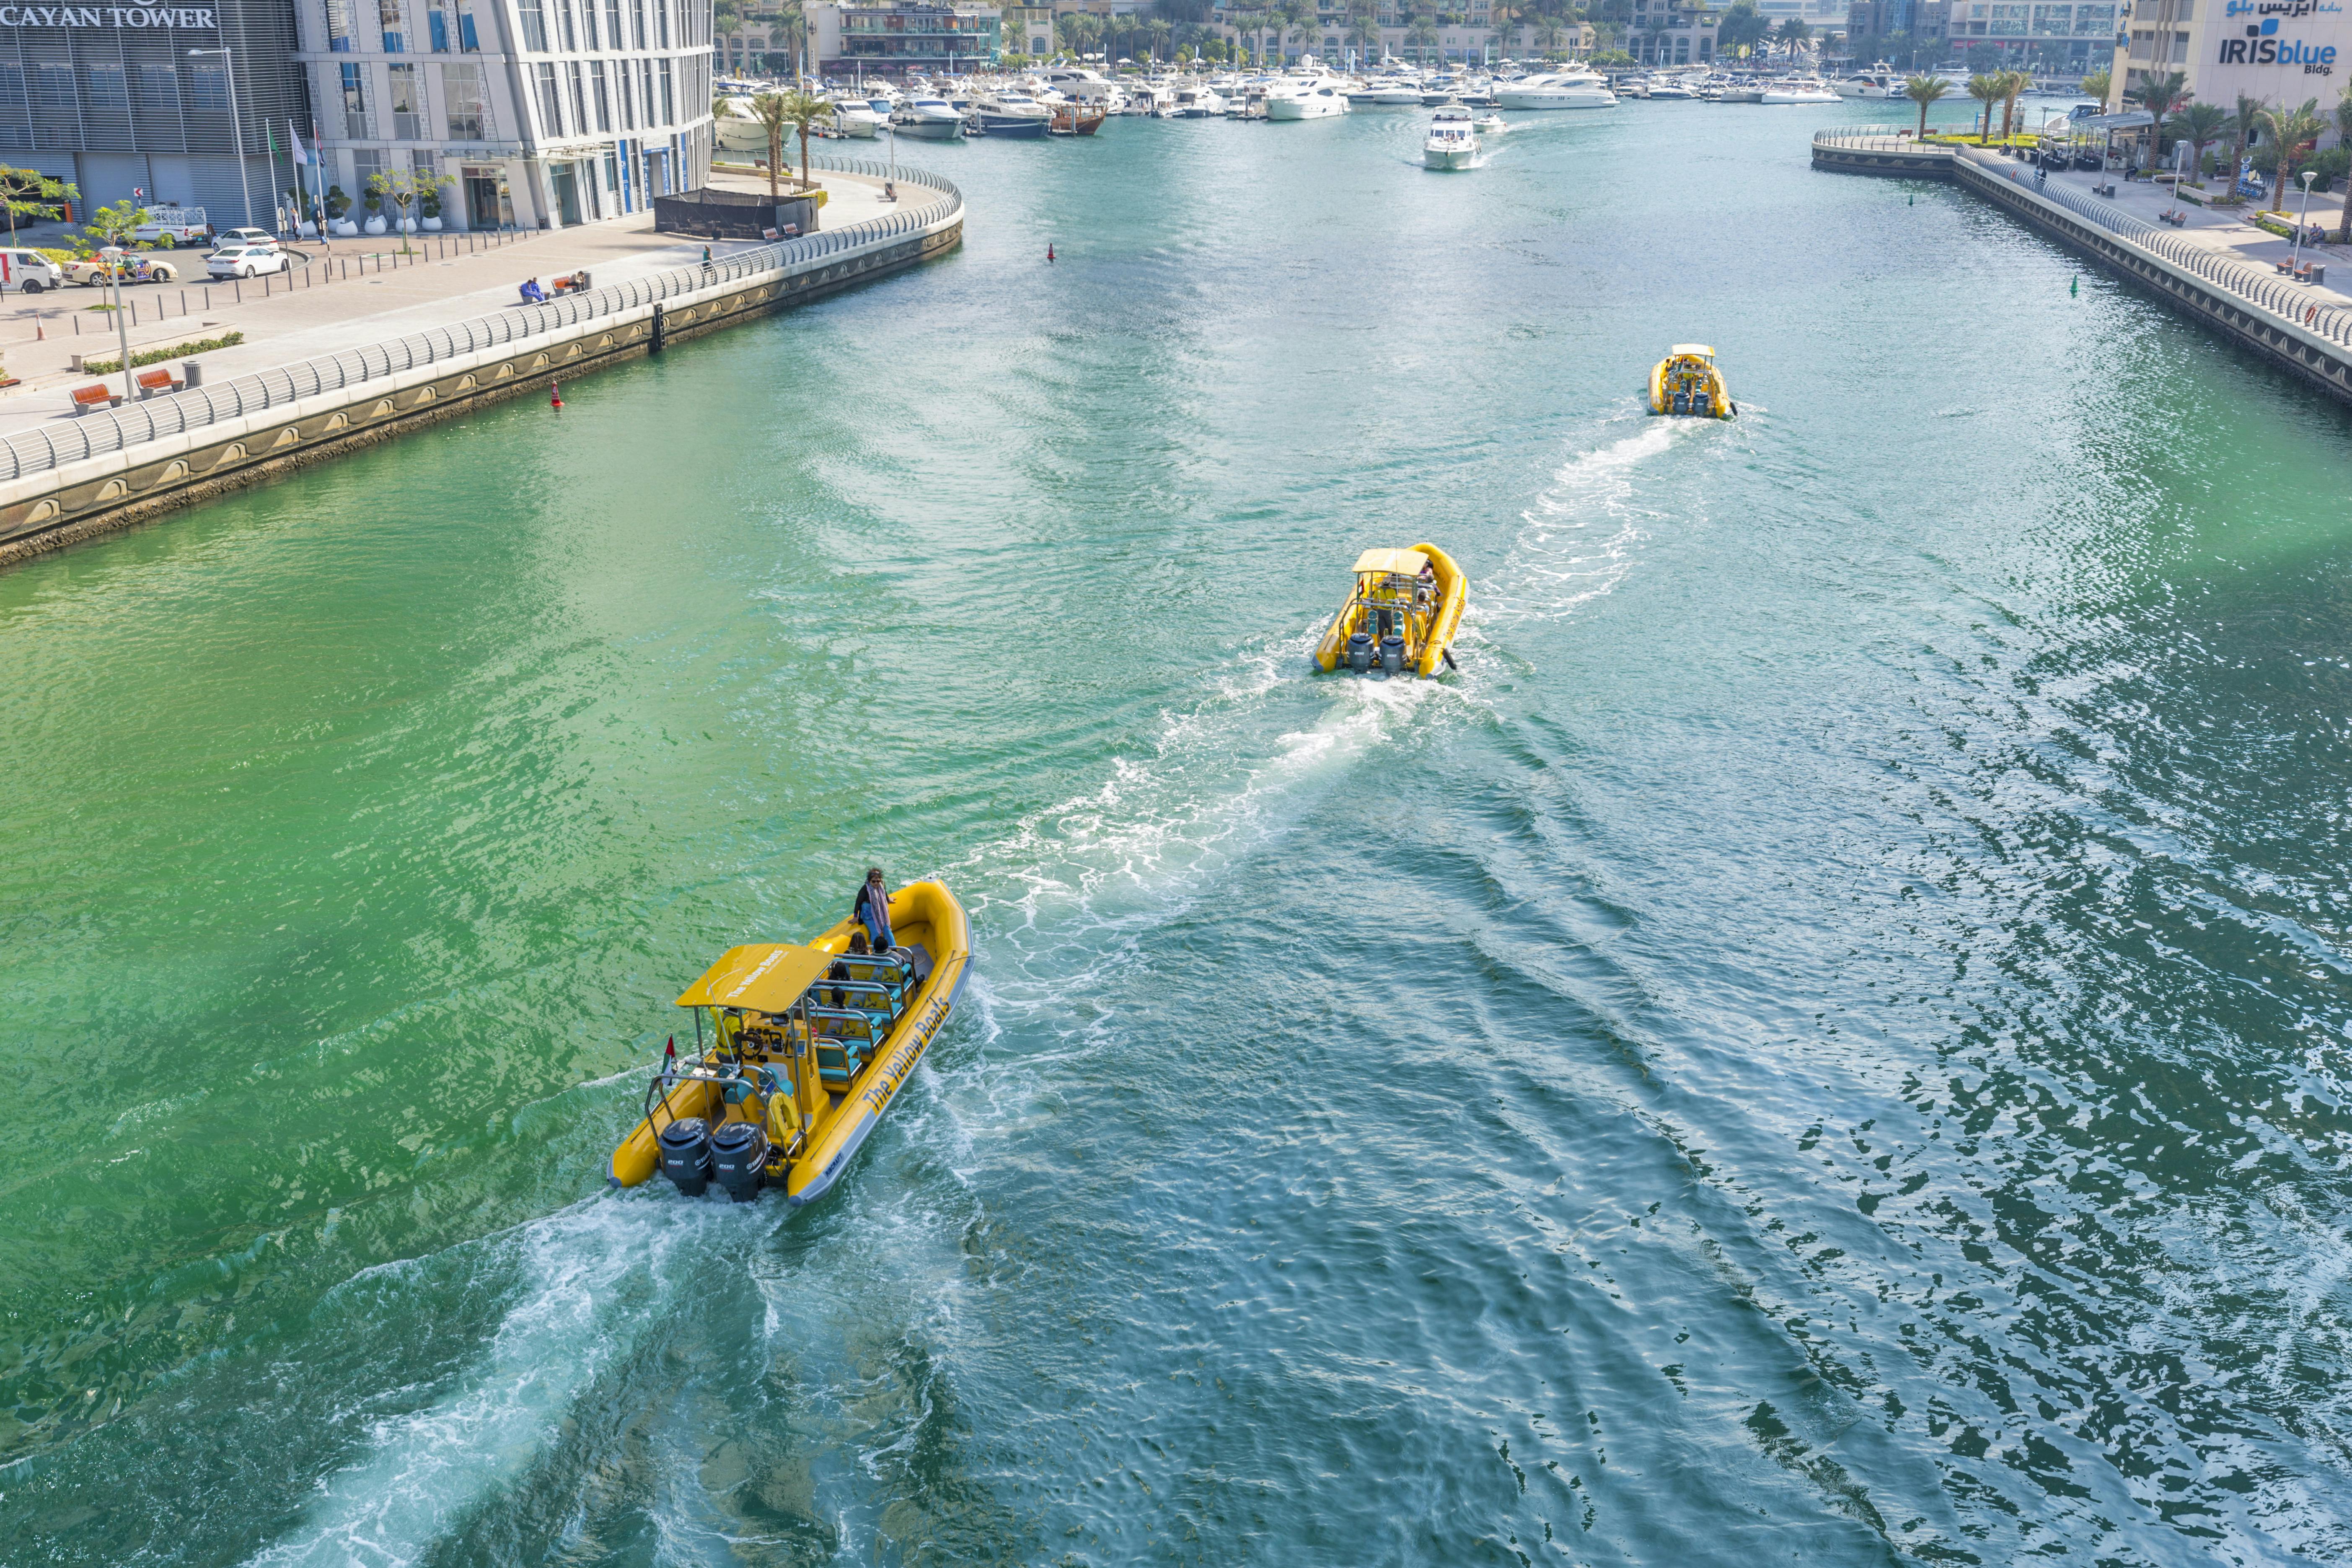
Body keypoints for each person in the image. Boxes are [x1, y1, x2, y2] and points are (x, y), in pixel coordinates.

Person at [854, 867, 895, 952]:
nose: (876, 883)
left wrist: (888, 900)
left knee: (887, 929)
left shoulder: (881, 886)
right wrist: (855, 917)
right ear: (869, 881)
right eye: (874, 881)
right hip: (868, 915)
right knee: (875, 932)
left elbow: (884, 893)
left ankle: (894, 950)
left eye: (878, 881)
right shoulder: (865, 889)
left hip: (880, 913)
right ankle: (877, 952)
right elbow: (858, 902)